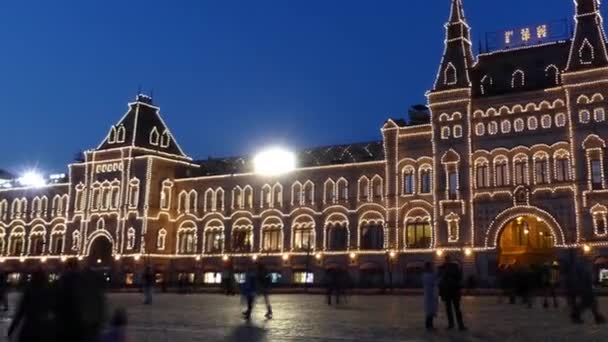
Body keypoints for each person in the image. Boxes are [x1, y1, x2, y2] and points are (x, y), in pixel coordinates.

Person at [8, 269, 55, 342]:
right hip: (44, 327)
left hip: (30, 326)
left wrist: (12, 328)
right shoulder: (49, 292)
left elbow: (21, 311)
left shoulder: (30, 291)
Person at [570, 257, 605, 324]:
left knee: (590, 302)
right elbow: (587, 278)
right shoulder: (584, 267)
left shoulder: (586, 266)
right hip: (586, 288)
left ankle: (596, 316)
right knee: (588, 302)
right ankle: (596, 316)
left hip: (586, 287)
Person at [439, 255, 467, 331]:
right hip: (450, 291)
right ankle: (454, 324)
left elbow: (458, 277)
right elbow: (441, 281)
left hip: (453, 291)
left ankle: (457, 324)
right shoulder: (444, 267)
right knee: (451, 309)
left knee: (455, 309)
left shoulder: (451, 267)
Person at [422, 262, 438, 331]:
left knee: (430, 311)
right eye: (431, 266)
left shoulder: (427, 275)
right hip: (430, 294)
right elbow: (434, 282)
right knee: (430, 311)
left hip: (430, 294)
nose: (432, 267)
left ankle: (429, 325)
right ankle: (429, 325)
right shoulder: (428, 275)